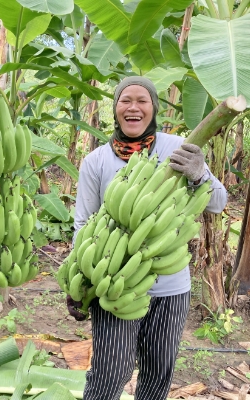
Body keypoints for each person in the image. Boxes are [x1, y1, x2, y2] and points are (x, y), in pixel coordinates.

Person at [68, 76, 227, 400]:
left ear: (153, 107)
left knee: (158, 373)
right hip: (113, 285)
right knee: (109, 374)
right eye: (125, 100)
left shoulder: (178, 148)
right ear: (115, 109)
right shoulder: (96, 161)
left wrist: (199, 174)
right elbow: (83, 223)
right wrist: (79, 281)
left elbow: (218, 202)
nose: (133, 107)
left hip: (170, 289)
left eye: (142, 100)